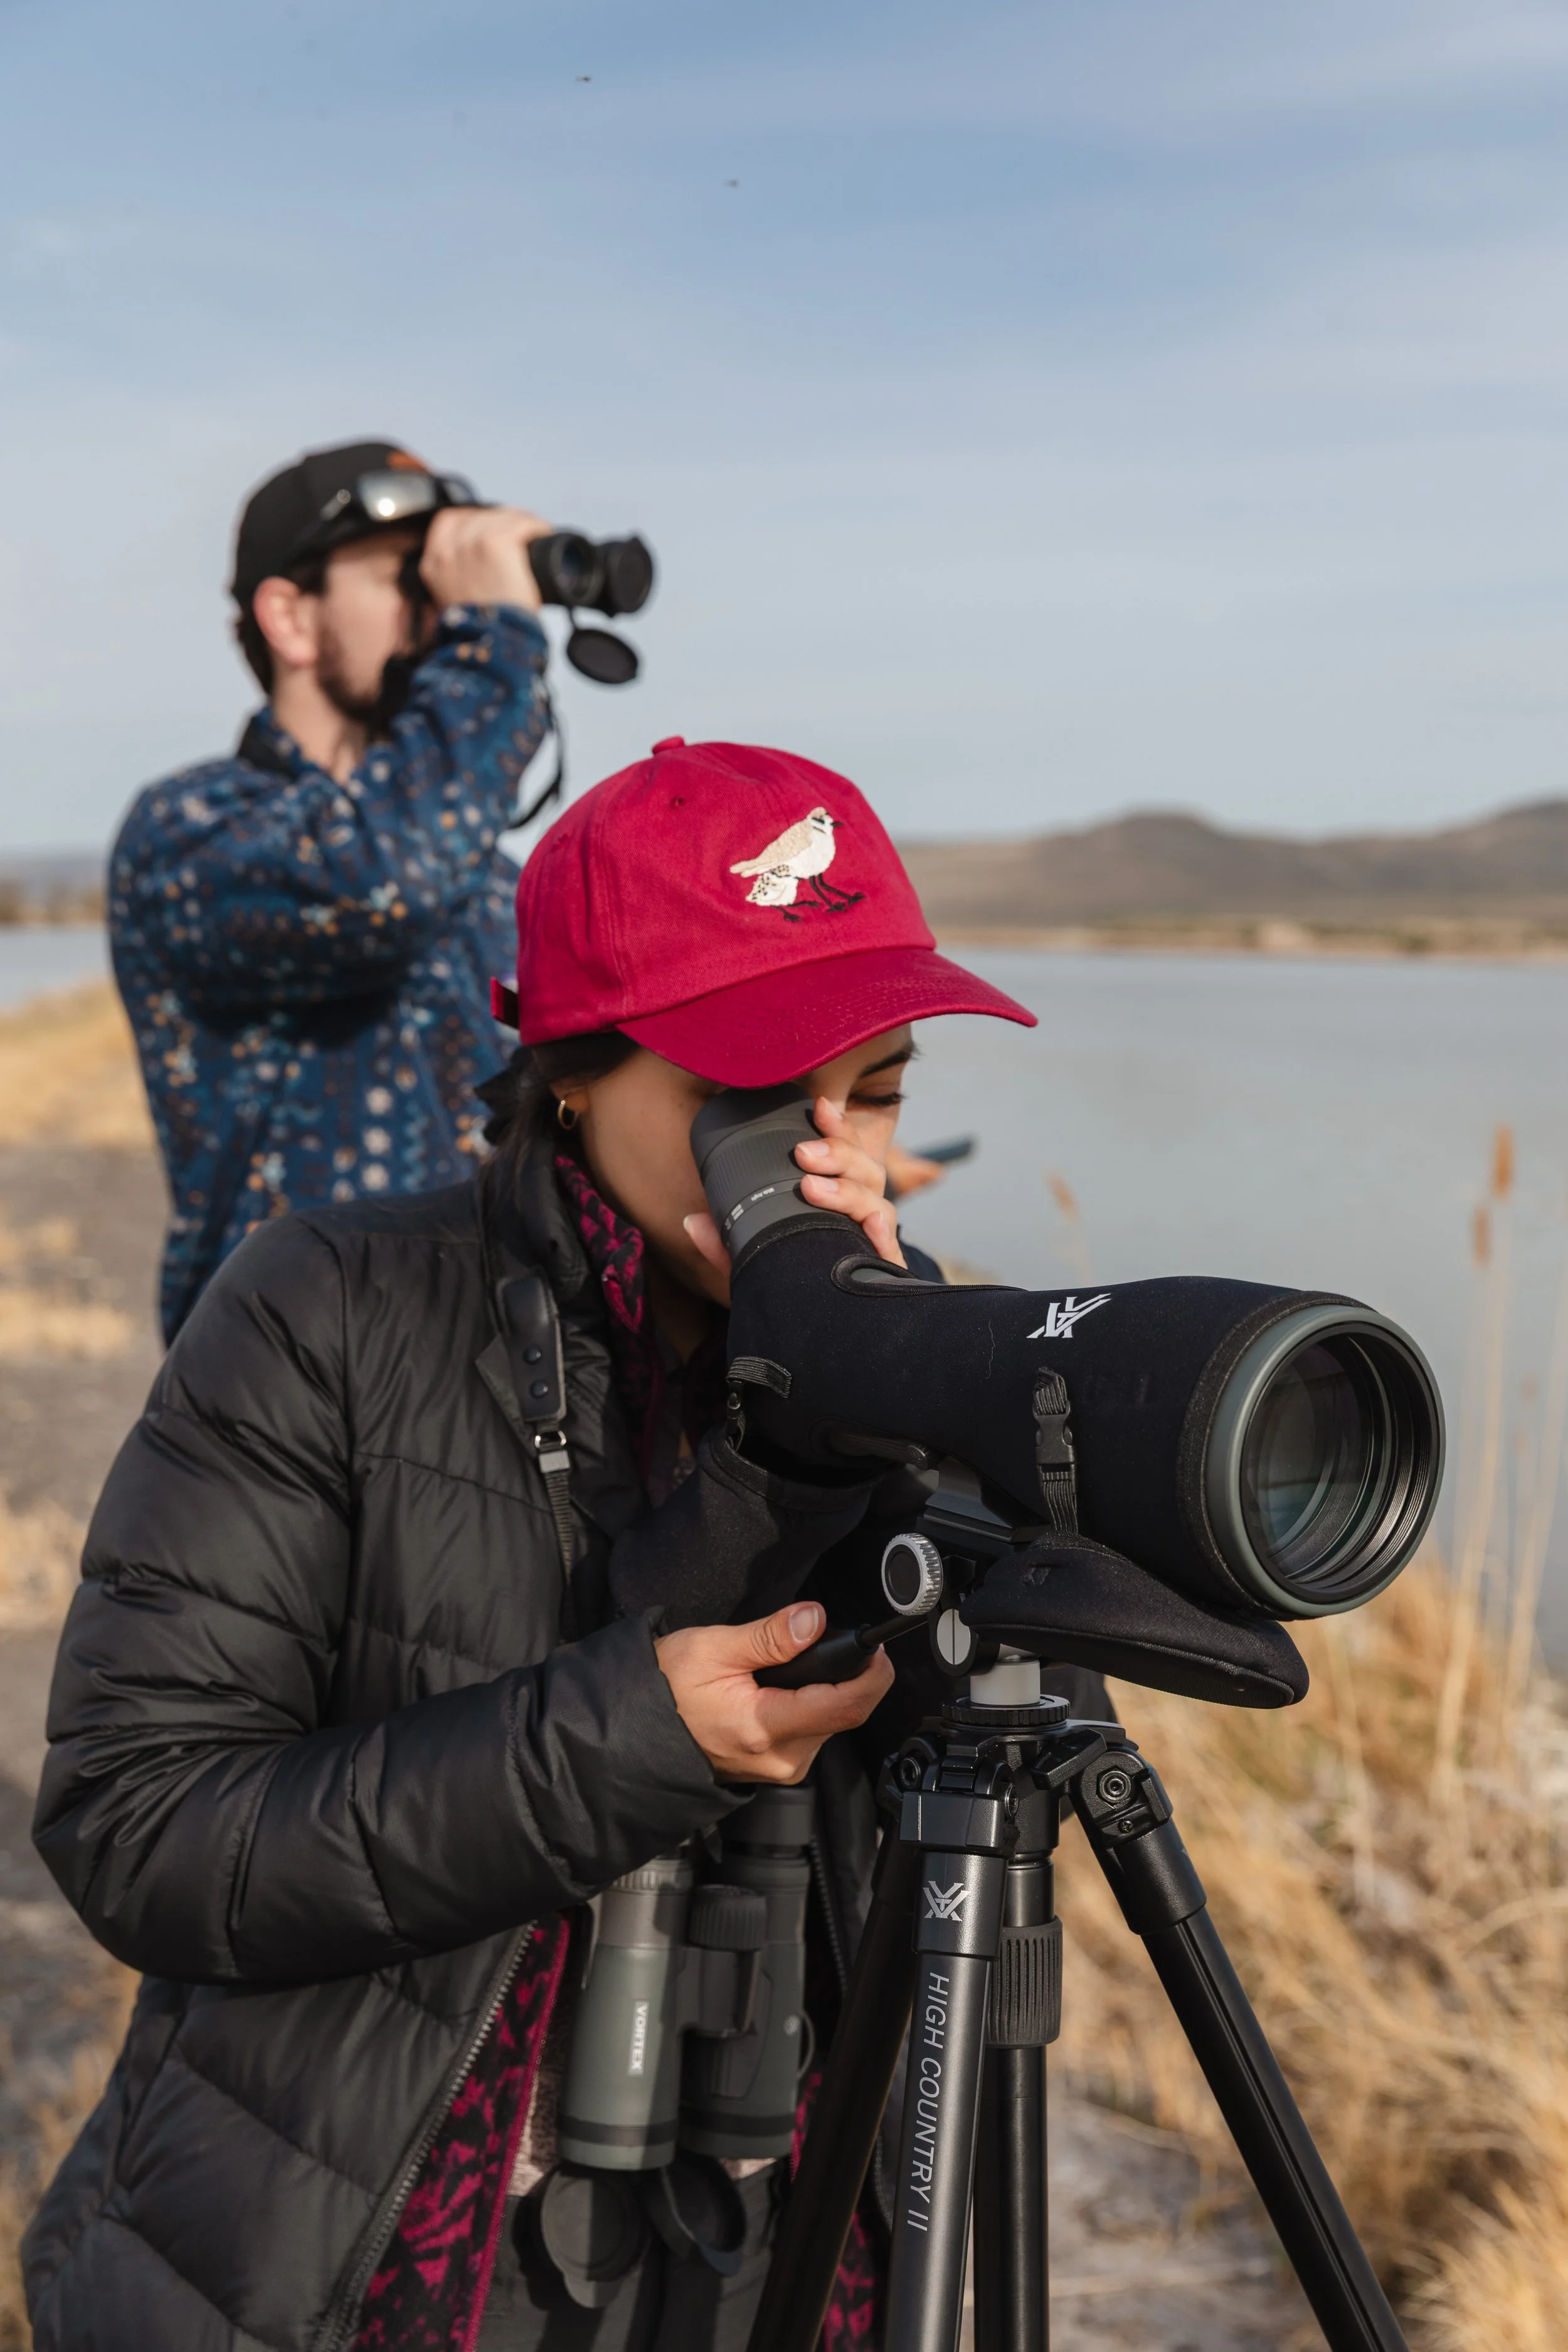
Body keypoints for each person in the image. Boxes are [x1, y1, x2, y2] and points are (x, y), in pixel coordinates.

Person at [25, 736, 1066, 2352]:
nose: (822, 1153)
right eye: (751, 1098)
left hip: (767, 2247)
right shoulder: (330, 1307)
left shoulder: (886, 1348)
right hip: (374, 2248)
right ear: (573, 1068)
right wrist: (627, 1744)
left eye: (873, 1092)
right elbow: (138, 1827)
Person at [109, 439, 556, 1344]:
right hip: (279, 1397)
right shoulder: (192, 829)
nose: (442, 620)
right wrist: (495, 645)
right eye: (410, 580)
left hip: (481, 1383)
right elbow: (378, 883)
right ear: (292, 618)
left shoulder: (486, 876)